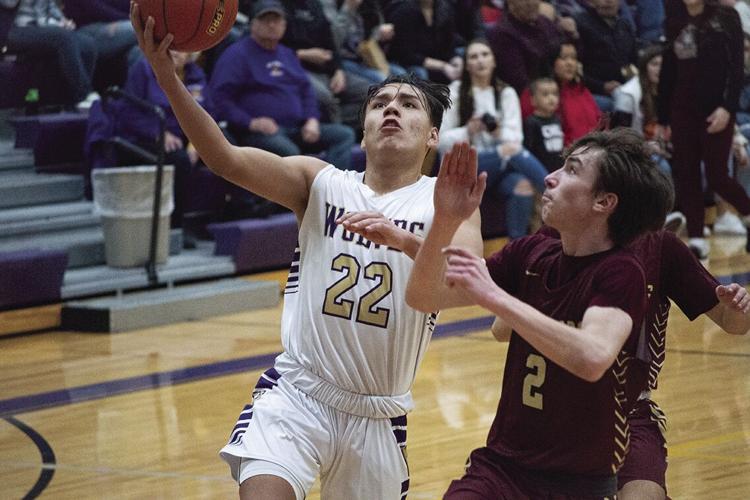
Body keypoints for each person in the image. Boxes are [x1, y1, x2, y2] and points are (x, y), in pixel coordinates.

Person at [130, 4, 484, 499]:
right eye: (380, 102)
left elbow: (469, 286)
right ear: (362, 129)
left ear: (432, 135)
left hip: (376, 413)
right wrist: (167, 76)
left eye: (408, 104)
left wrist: (406, 239)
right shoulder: (318, 182)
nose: (391, 110)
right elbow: (224, 159)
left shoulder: (445, 202)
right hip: (297, 393)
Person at [406, 127, 674, 498]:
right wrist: (446, 221)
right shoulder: (532, 252)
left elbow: (593, 356)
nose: (550, 177)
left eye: (572, 171)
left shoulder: (621, 271)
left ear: (604, 202)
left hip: (576, 482)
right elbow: (424, 296)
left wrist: (496, 298)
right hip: (501, 466)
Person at [210, 0, 356, 171]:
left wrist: (312, 119)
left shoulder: (287, 54)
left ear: (284, 25)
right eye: (265, 20)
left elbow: (306, 90)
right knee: (289, 152)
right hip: (258, 131)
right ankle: (294, 195)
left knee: (344, 135)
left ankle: (331, 190)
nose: (272, 25)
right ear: (253, 24)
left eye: (277, 20)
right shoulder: (237, 55)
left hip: (296, 128)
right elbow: (219, 98)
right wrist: (250, 122)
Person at [657, 0, 749, 259]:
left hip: (716, 110)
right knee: (687, 174)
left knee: (717, 174)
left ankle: (748, 213)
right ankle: (697, 237)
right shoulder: (673, 16)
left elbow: (737, 68)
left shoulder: (726, 16)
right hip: (681, 110)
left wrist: (727, 108)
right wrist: (663, 118)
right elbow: (668, 69)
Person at [440, 39, 548, 240]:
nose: (480, 60)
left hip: (500, 166)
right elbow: (442, 142)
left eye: (485, 55)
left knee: (522, 185)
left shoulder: (506, 93)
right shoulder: (455, 91)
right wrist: (468, 130)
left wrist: (497, 133)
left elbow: (515, 138)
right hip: (465, 164)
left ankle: (517, 247)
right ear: (467, 65)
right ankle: (552, 192)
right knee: (512, 151)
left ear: (494, 61)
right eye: (474, 56)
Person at [6, 0, 98, 107]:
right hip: (13, 29)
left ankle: (73, 101)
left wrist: (62, 21)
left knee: (87, 44)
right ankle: (84, 94)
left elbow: (49, 6)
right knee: (62, 37)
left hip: (41, 27)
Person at [574, 0, 638, 112]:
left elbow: (631, 62)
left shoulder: (624, 25)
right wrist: (602, 86)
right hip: (591, 91)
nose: (608, 1)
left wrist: (632, 83)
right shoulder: (580, 24)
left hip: (622, 89)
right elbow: (575, 68)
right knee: (615, 105)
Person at [523, 76, 565, 171]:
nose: (551, 98)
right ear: (533, 100)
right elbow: (528, 150)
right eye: (545, 94)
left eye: (555, 94)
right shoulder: (531, 122)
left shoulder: (557, 119)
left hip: (557, 167)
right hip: (540, 168)